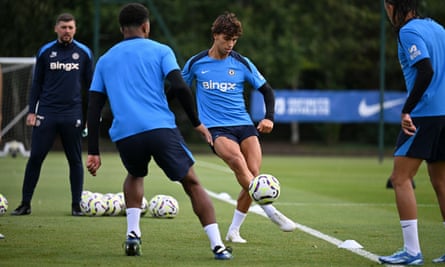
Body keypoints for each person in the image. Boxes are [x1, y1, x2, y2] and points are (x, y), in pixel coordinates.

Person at [86, 3, 232, 259]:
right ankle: (217, 245)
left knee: (134, 174)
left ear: (122, 29)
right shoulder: (161, 50)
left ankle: (133, 234)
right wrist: (197, 123)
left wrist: (94, 151)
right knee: (192, 182)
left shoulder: (105, 59)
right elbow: (180, 86)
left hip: (126, 134)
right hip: (160, 128)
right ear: (146, 26)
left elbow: (94, 106)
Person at [181, 12, 297, 244]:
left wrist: (269, 117)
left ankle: (234, 231)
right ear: (215, 35)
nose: (230, 45)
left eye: (234, 40)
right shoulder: (196, 63)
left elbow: (267, 91)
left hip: (244, 126)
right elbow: (178, 89)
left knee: (252, 176)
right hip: (216, 129)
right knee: (238, 163)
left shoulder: (241, 62)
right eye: (227, 39)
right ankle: (271, 211)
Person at [379, 0, 445, 265]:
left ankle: (412, 251)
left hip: (424, 115)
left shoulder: (408, 31)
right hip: (444, 114)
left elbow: (425, 69)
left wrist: (407, 109)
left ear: (392, 5)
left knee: (400, 178)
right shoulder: (438, 28)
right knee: (441, 182)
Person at [11, 13, 93, 216]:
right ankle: (25, 204)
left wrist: (90, 115)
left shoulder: (84, 53)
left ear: (75, 29)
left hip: (72, 114)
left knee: (75, 160)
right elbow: (37, 83)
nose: (67, 31)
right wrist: (32, 111)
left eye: (71, 27)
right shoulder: (45, 52)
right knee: (36, 157)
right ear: (56, 28)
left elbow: (91, 87)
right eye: (63, 27)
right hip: (46, 113)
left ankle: (76, 206)